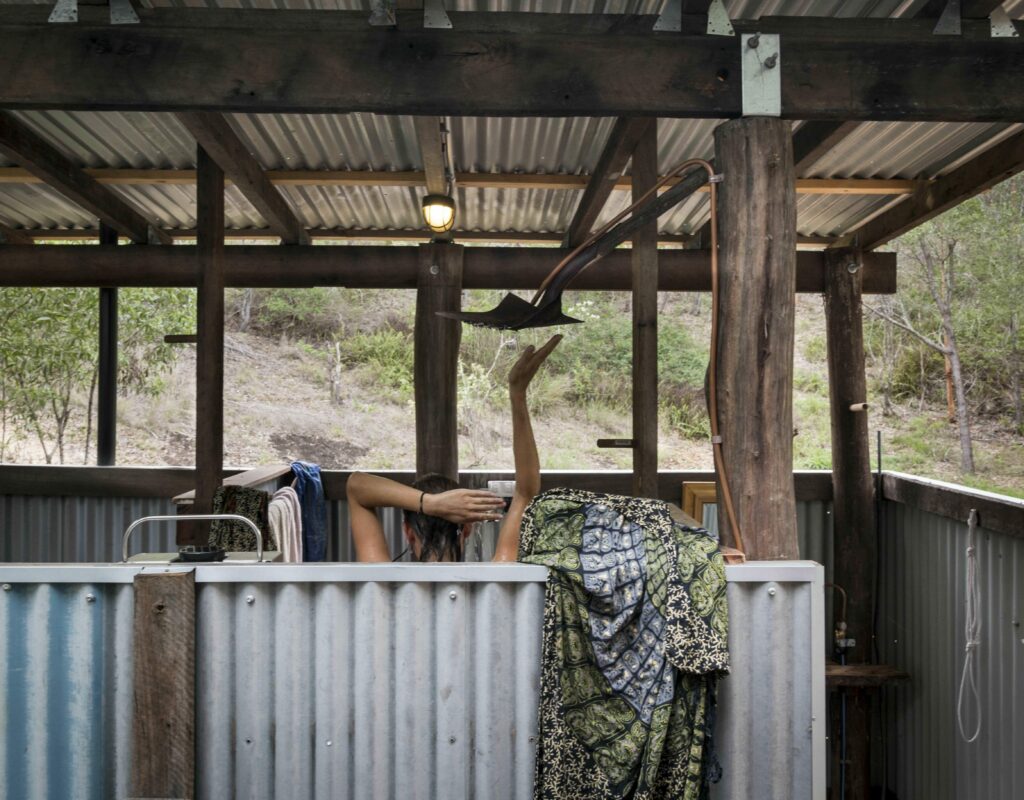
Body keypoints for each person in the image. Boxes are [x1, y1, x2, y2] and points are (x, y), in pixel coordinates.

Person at [346, 335, 561, 562]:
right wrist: (518, 394)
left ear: (407, 532)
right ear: (467, 529)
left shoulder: (382, 583)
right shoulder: (497, 577)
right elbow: (526, 492)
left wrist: (429, 504)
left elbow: (356, 486)